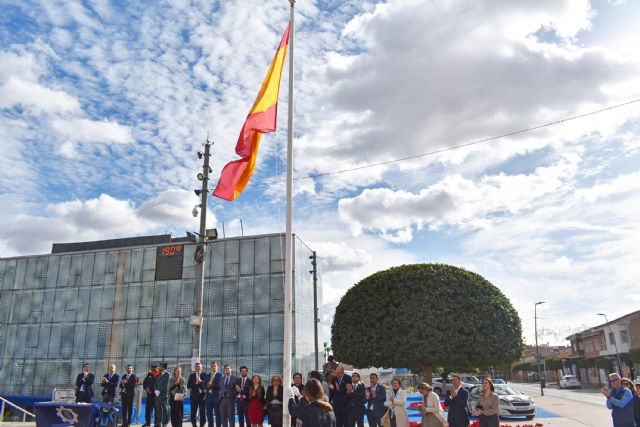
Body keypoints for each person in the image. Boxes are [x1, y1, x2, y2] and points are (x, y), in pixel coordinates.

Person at [189, 362, 208, 427]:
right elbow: (188, 385)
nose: (198, 368)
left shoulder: (205, 375)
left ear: (201, 367)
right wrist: (196, 383)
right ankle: (194, 425)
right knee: (193, 412)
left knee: (202, 412)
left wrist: (201, 382)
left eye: (199, 366)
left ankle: (202, 425)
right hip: (194, 397)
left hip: (202, 397)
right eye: (197, 366)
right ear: (194, 368)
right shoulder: (192, 375)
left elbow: (207, 384)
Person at [207, 361, 223, 427]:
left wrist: (212, 385)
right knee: (209, 414)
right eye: (212, 366)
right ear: (210, 367)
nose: (213, 367)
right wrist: (207, 386)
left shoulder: (220, 375)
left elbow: (221, 386)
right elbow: (204, 385)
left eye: (215, 366)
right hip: (208, 398)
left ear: (217, 367)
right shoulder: (207, 375)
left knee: (217, 414)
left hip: (216, 397)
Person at [154, 362, 170, 427]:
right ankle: (158, 422)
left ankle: (165, 423)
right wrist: (155, 390)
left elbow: (165, 385)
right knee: (158, 409)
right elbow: (155, 383)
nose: (159, 368)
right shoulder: (159, 374)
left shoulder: (167, 375)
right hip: (157, 395)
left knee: (165, 409)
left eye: (160, 366)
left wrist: (159, 391)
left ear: (163, 367)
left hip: (163, 395)